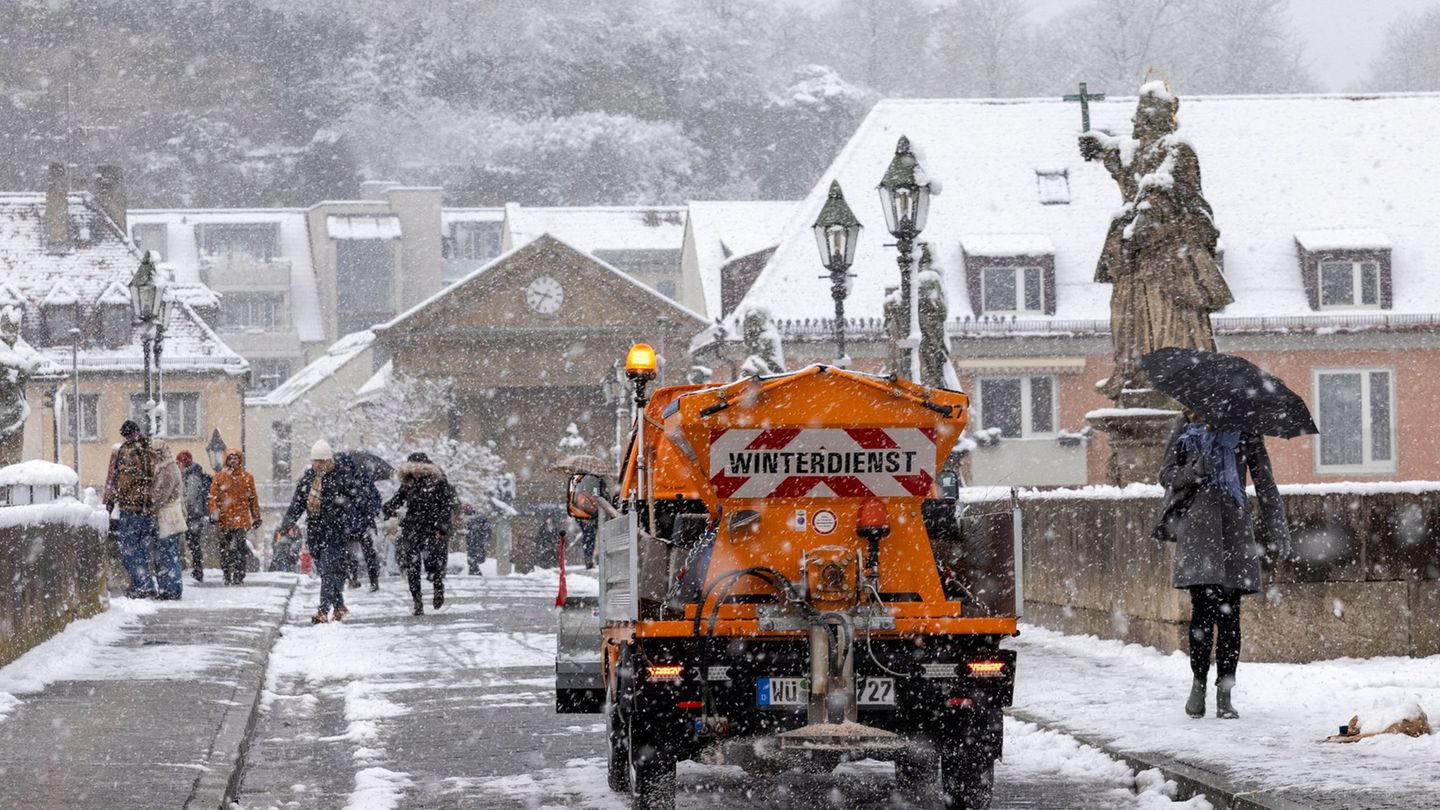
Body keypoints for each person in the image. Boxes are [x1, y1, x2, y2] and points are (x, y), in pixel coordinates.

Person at [1079, 82, 1234, 401]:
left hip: (1169, 256)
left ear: (1157, 118)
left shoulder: (1176, 148)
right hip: (1134, 257)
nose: (1134, 121)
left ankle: (1175, 374)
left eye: (1140, 115)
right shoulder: (1136, 150)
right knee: (1130, 317)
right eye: (1136, 115)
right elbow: (1119, 156)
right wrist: (1100, 144)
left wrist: (1152, 214)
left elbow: (1176, 193)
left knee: (1168, 315)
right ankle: (1138, 372)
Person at [1155, 412, 1290, 720]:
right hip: (1198, 534)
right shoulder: (1186, 425)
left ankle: (1225, 693)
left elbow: (1265, 482)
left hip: (1234, 533)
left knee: (1230, 617)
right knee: (1202, 613)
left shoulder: (1247, 428)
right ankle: (1198, 685)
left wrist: (1279, 528)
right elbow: (1166, 475)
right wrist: (1194, 469)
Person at [280, 439, 362, 623]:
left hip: (336, 532)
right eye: (314, 461)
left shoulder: (341, 477)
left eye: (321, 461)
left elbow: (356, 502)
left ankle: (323, 611)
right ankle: (339, 607)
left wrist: (346, 516)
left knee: (327, 570)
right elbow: (298, 504)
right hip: (315, 532)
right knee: (325, 570)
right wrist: (287, 523)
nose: (317, 465)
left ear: (328, 460)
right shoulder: (309, 478)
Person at [384, 452, 458, 616]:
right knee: (413, 566)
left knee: (432, 563)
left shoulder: (437, 480)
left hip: (431, 528)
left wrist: (441, 527)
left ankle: (437, 587)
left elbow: (445, 505)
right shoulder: (410, 481)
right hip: (414, 527)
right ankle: (418, 600)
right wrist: (389, 507)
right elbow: (399, 498)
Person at [104, 420, 157, 599]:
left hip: (131, 507)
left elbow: (123, 480)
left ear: (126, 434)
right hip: (147, 508)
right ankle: (145, 584)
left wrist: (112, 499)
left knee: (129, 551)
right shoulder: (150, 449)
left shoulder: (128, 450)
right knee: (142, 550)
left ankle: (142, 585)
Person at [208, 448, 262, 586]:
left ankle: (239, 574)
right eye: (230, 458)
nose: (233, 461)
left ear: (240, 460)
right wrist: (214, 513)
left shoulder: (247, 478)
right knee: (224, 548)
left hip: (241, 519)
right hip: (224, 519)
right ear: (226, 460)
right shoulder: (219, 478)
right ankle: (227, 573)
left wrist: (256, 517)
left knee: (240, 547)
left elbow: (253, 499)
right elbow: (213, 498)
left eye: (235, 458)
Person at [336, 451, 383, 591]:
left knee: (366, 553)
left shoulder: (361, 478)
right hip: (350, 523)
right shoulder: (339, 481)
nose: (345, 469)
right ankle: (354, 579)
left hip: (360, 523)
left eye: (347, 465)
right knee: (350, 554)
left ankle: (370, 580)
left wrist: (370, 512)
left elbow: (375, 498)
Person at [176, 451, 212, 583]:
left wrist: (180, 504)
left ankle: (198, 570)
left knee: (193, 543)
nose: (177, 465)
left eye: (179, 462)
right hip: (193, 514)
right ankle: (197, 569)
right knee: (193, 543)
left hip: (193, 514)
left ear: (184, 463)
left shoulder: (192, 476)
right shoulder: (191, 474)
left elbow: (190, 496)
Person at [566, 473, 605, 569]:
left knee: (589, 538)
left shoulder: (584, 485)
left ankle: (589, 558)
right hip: (590, 517)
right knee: (590, 537)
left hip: (591, 517)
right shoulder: (591, 486)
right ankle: (589, 558)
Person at [463, 503, 490, 576]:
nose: (466, 510)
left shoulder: (478, 518)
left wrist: (483, 537)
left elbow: (485, 528)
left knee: (475, 556)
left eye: (467, 508)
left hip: (476, 540)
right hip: (473, 541)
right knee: (473, 556)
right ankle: (474, 570)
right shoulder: (470, 518)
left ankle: (474, 570)